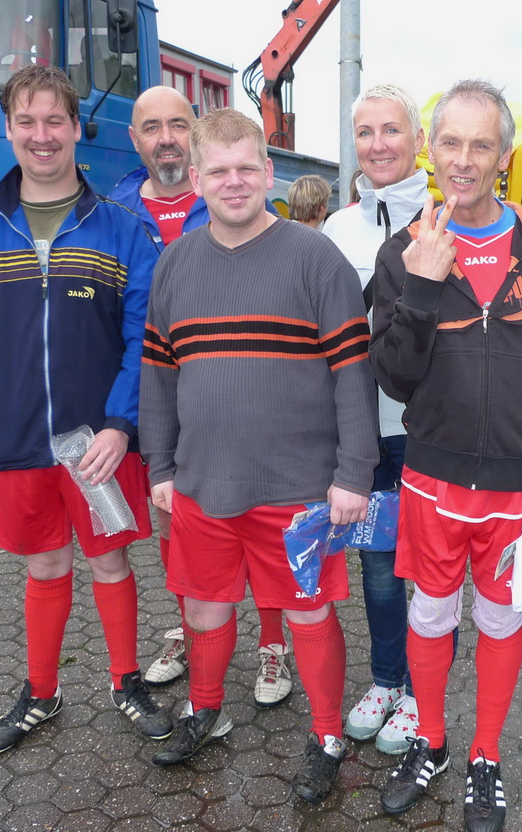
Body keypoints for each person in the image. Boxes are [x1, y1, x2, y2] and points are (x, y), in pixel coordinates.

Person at [369, 79, 522, 832]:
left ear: (503, 156)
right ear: (430, 151)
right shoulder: (404, 251)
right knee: (430, 615)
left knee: (500, 622)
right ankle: (431, 742)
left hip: (520, 491)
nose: (463, 160)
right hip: (431, 480)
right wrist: (423, 287)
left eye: (480, 145)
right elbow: (394, 377)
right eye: (450, 142)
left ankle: (486, 757)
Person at [139, 107, 378, 804]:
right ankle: (205, 711)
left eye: (247, 168)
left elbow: (353, 374)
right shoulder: (176, 263)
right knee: (205, 609)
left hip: (298, 490)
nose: (234, 182)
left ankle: (327, 735)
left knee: (308, 615)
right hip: (203, 483)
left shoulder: (315, 258)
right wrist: (160, 466)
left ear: (269, 173)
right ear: (197, 178)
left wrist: (353, 474)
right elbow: (158, 373)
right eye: (219, 171)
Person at [0, 65, 169, 755]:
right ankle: (41, 692)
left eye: (54, 121)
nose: (42, 136)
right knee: (43, 567)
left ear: (75, 128)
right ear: (9, 129)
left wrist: (120, 426)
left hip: (97, 445)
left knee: (110, 563)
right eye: (27, 122)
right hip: (15, 441)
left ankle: (126, 682)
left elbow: (144, 342)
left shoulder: (124, 231)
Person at [109, 87, 292, 707]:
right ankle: (192, 630)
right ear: (135, 139)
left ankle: (272, 642)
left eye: (177, 124)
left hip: (235, 396)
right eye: (150, 126)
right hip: (157, 393)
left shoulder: (231, 196)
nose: (165, 137)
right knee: (176, 524)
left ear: (195, 135)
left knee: (259, 517)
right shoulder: (113, 212)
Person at [323, 83, 441, 756]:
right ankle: (387, 679)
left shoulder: (446, 219)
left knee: (431, 570)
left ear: (418, 140)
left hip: (428, 431)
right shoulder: (337, 229)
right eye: (365, 132)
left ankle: (424, 692)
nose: (378, 145)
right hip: (363, 431)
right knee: (377, 566)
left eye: (391, 130)